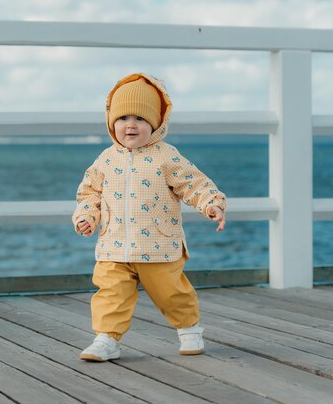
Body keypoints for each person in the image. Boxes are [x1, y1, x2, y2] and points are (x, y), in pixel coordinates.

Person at [72, 72, 226, 362]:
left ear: (156, 124)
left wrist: (211, 203)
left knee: (171, 293)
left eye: (141, 119)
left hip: (158, 245)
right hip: (113, 247)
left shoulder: (166, 157)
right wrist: (87, 217)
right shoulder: (105, 159)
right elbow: (89, 194)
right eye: (123, 117)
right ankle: (106, 339)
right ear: (111, 122)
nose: (131, 124)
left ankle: (189, 328)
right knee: (110, 293)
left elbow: (193, 184)